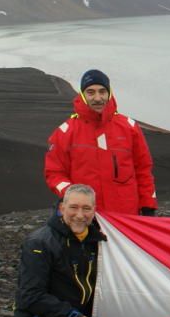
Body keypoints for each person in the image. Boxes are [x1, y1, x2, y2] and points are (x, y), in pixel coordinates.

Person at [14, 184, 104, 317]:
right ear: (61, 208)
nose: (80, 215)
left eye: (86, 208)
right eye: (73, 207)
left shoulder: (97, 240)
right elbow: (31, 296)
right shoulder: (40, 243)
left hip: (78, 309)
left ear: (94, 210)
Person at [44, 69, 157, 215]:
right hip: (85, 218)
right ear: (83, 95)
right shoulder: (65, 132)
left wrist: (148, 204)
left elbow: (143, 170)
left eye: (102, 91)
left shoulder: (129, 128)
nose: (97, 98)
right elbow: (54, 173)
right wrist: (72, 194)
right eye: (91, 92)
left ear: (109, 93)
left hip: (126, 217)